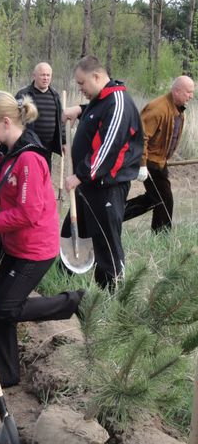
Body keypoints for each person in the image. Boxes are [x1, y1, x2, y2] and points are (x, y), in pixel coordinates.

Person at [0, 91, 83, 393]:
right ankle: (5, 375)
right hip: (16, 245)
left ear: (5, 122)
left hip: (36, 250)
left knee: (7, 309)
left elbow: (29, 212)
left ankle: (74, 302)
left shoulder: (30, 158)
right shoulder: (9, 151)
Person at [62, 56, 143, 290]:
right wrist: (79, 109)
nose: (81, 89)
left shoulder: (118, 101)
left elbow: (108, 147)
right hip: (90, 184)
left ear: (96, 77)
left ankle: (113, 290)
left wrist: (79, 176)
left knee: (106, 240)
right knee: (73, 232)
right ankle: (62, 277)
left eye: (82, 83)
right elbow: (97, 113)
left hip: (107, 185)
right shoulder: (103, 99)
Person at [123, 76, 195, 232]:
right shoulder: (158, 108)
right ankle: (161, 235)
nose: (191, 96)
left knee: (154, 199)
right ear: (177, 91)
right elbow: (141, 135)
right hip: (149, 162)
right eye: (188, 92)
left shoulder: (177, 108)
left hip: (160, 162)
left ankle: (113, 215)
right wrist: (142, 165)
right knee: (165, 199)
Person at [15, 62, 64, 171]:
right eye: (42, 75)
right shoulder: (23, 95)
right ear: (34, 75)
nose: (46, 78)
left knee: (45, 176)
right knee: (29, 176)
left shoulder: (55, 96)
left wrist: (63, 141)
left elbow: (61, 121)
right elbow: (14, 119)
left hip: (47, 148)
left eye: (48, 75)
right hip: (28, 147)